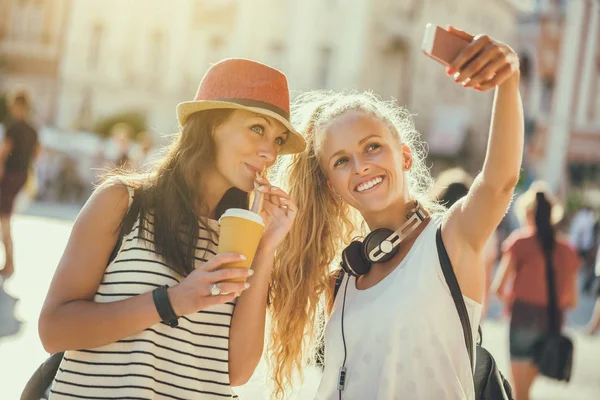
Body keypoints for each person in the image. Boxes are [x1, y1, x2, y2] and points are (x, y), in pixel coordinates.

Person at [268, 27, 523, 399]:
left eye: (372, 147)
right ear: (330, 185)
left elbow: (500, 182)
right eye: (341, 160)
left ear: (404, 156)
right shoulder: (344, 278)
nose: (360, 166)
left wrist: (509, 79)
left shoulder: (449, 239)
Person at [38, 58, 305, 399]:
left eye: (279, 140)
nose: (270, 152)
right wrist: (172, 301)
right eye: (257, 128)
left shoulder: (243, 238)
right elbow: (54, 330)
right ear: (211, 124)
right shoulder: (123, 202)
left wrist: (265, 248)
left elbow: (236, 371)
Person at [492, 181, 580, 400]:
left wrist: (514, 300)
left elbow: (498, 289)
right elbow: (572, 301)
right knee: (526, 392)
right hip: (552, 323)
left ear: (527, 213)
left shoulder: (519, 243)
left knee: (520, 394)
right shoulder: (568, 250)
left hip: (523, 319)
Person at [431, 167, 499, 318]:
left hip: (431, 301)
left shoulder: (429, 225)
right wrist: (482, 306)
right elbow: (486, 271)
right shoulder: (485, 229)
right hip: (467, 305)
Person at [0, 89, 40, 278]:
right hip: (23, 174)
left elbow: (3, 151)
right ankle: (9, 261)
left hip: (9, 174)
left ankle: (10, 262)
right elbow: (37, 152)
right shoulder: (33, 129)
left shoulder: (13, 126)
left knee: (4, 217)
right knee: (5, 216)